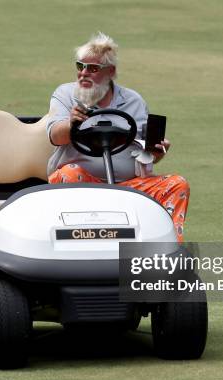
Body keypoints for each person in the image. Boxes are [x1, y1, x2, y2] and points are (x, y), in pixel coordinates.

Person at [45, 32, 190, 242]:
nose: (83, 73)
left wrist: (155, 152)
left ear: (110, 72)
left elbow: (144, 155)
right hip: (83, 182)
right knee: (68, 173)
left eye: (93, 68)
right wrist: (71, 124)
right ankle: (78, 246)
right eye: (80, 66)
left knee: (177, 184)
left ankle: (164, 252)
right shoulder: (66, 94)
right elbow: (55, 136)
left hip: (127, 186)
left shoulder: (133, 101)